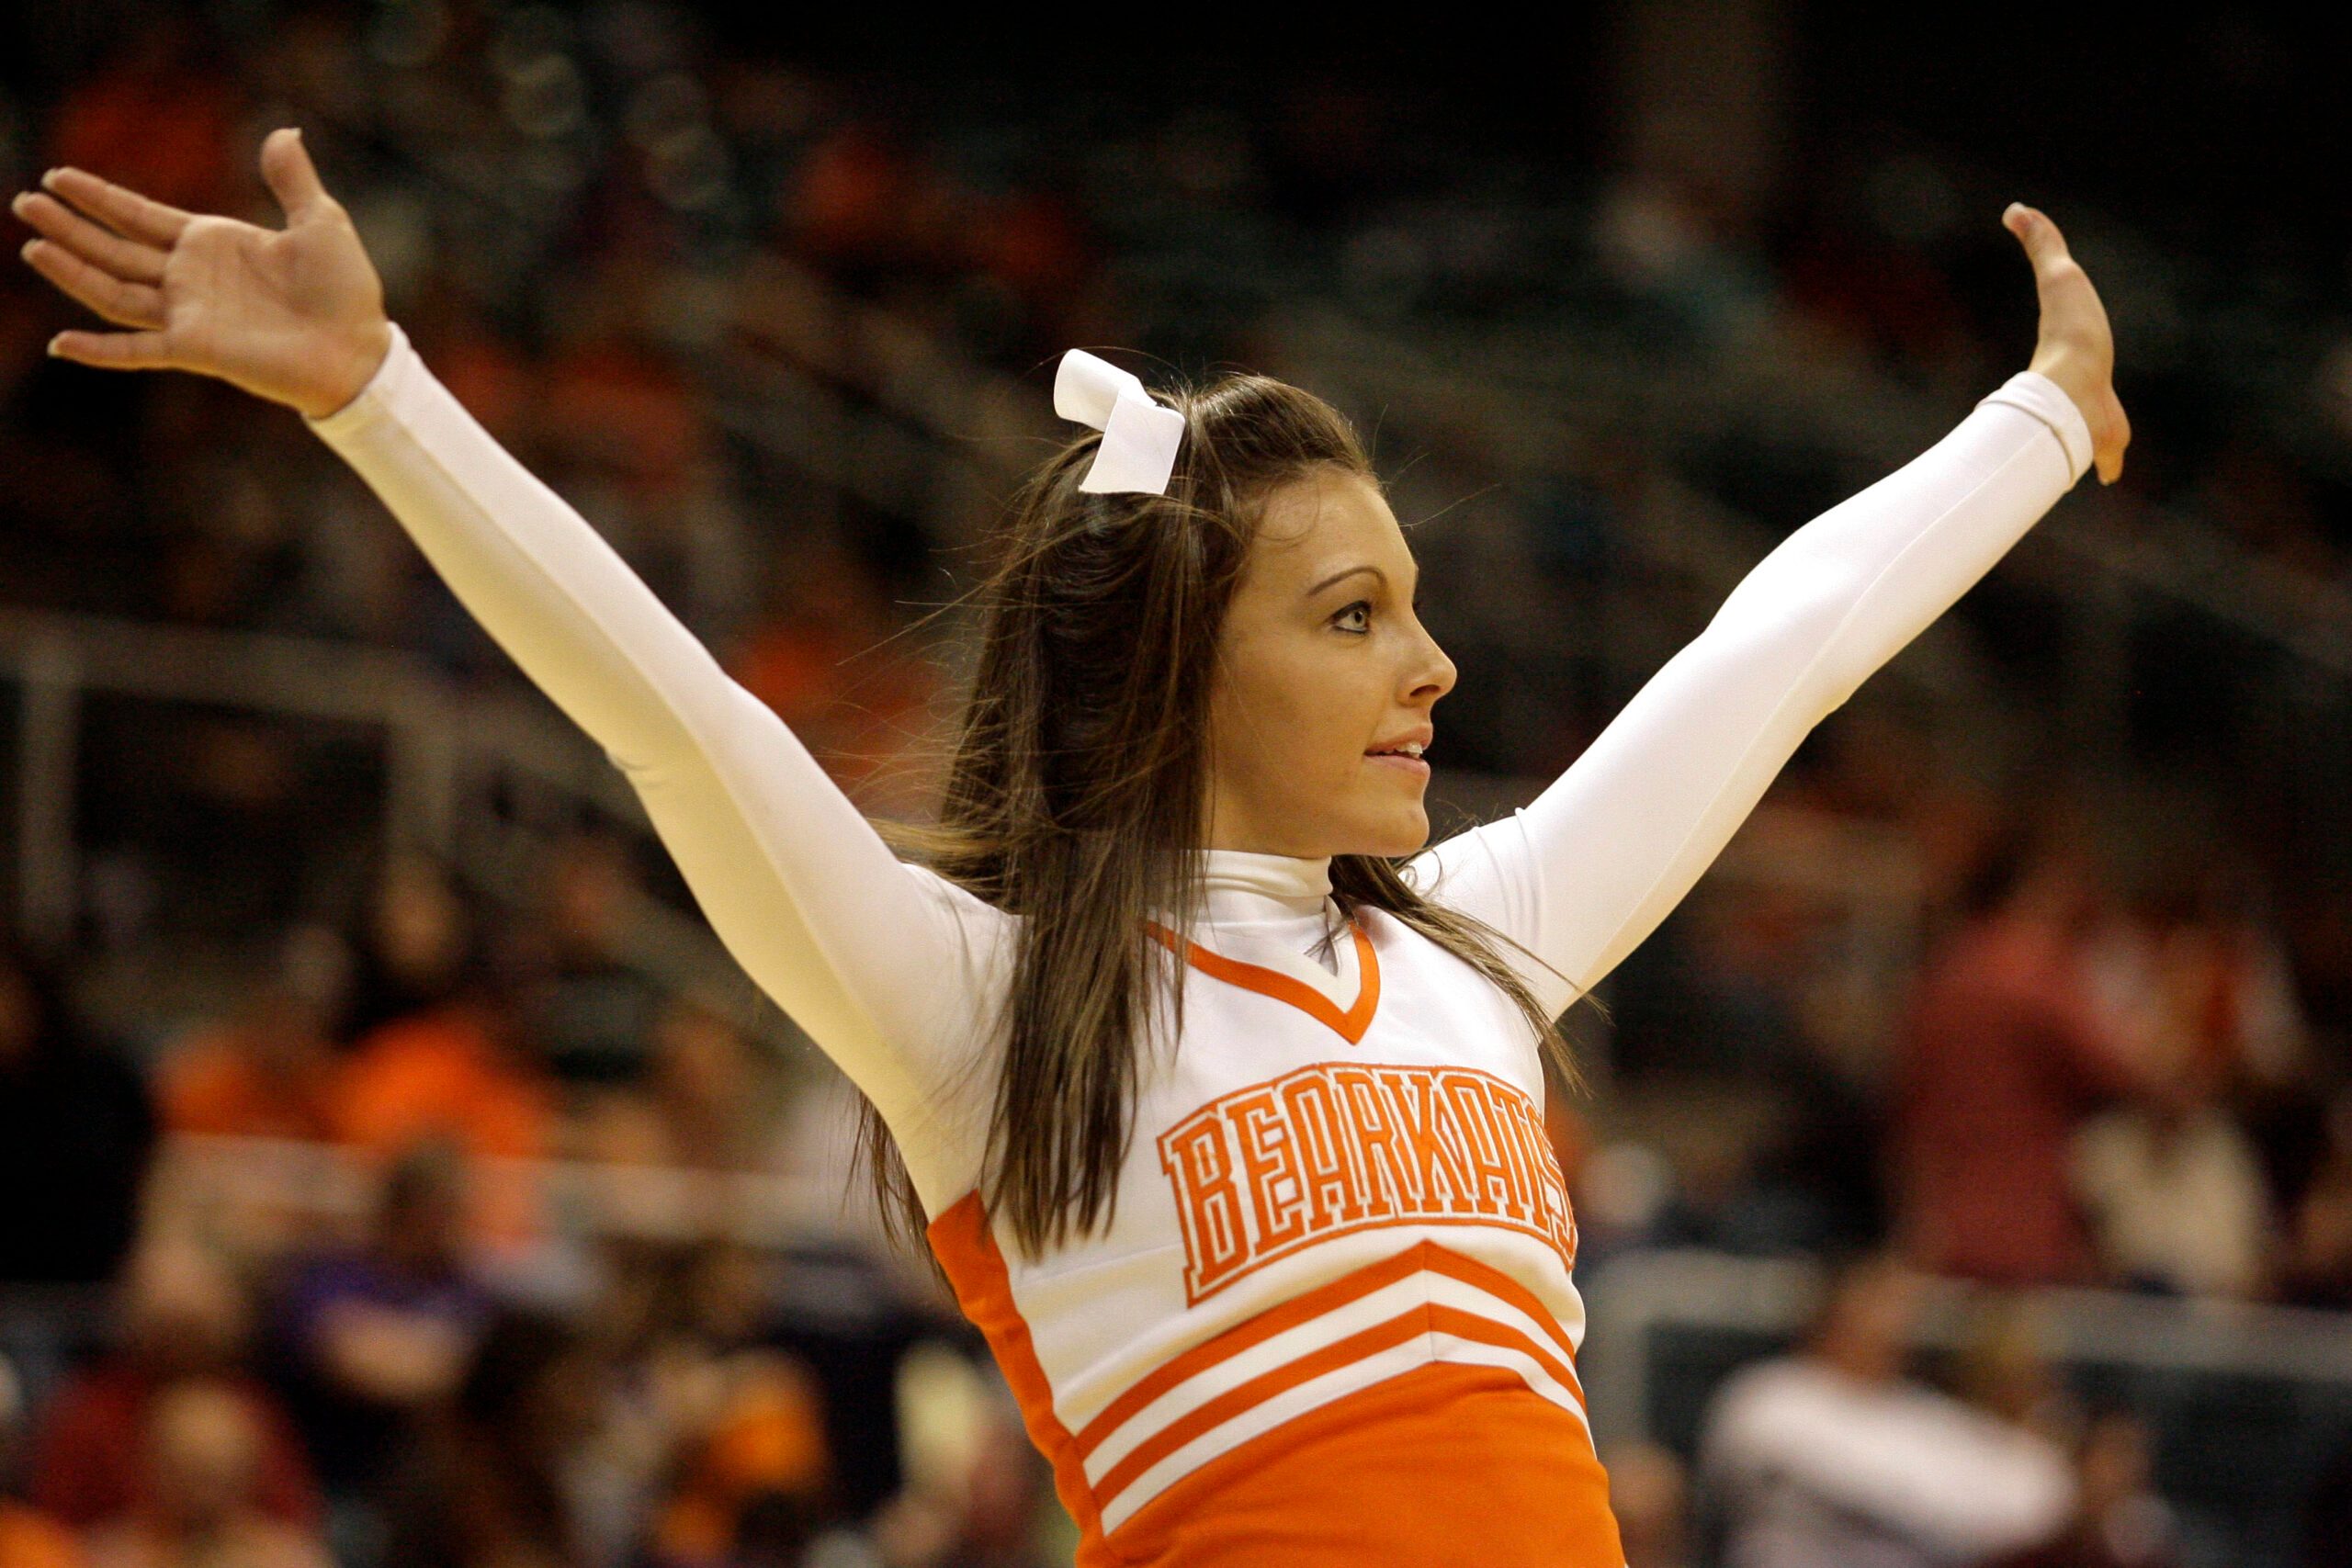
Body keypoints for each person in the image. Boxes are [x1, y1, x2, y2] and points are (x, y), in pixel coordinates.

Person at [10, 126, 2129, 1567]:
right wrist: (374, 392)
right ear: (1177, 675)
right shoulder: (987, 1011)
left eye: (1409, 599)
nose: (1436, 664)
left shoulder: (1485, 939)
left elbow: (1771, 654)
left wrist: (2034, 418)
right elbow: (678, 722)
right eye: (1351, 612)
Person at [1696, 1253, 2075, 1567]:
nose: (1894, 1322)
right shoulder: (1772, 1395)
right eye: (1877, 1302)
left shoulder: (1921, 1413)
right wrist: (1960, 1511)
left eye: (1902, 1307)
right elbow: (1864, 1485)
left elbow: (2044, 1492)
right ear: (1834, 1309)